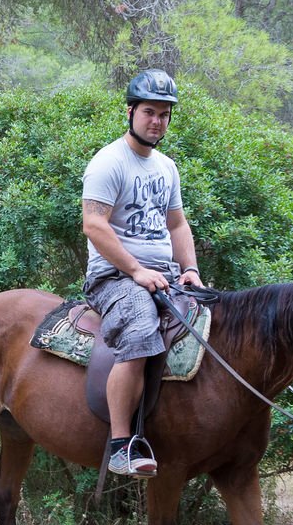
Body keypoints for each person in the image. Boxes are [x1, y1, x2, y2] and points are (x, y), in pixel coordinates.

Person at [80, 69, 204, 479]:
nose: (157, 121)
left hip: (164, 273)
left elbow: (177, 226)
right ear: (131, 111)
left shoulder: (167, 167)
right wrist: (135, 270)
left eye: (165, 114)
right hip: (113, 278)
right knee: (139, 332)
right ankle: (121, 445)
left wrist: (190, 270)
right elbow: (94, 226)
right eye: (149, 112)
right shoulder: (109, 162)